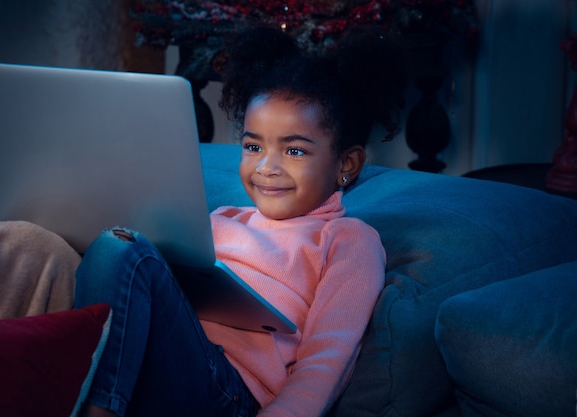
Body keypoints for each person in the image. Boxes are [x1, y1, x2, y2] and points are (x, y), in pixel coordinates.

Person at [75, 25, 407, 417]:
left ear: (346, 165)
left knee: (123, 250)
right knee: (109, 245)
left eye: (295, 151)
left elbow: (327, 359)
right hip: (156, 363)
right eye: (253, 146)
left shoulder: (347, 239)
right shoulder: (220, 219)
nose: (267, 167)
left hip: (229, 393)